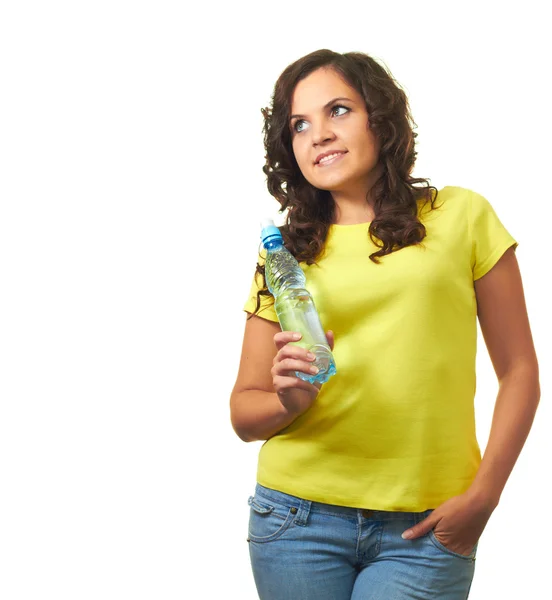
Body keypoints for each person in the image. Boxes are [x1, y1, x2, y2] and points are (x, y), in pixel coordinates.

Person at [229, 49, 540, 600]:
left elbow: (519, 371)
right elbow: (244, 413)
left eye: (339, 111)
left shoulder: (461, 215)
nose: (319, 134)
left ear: (381, 117)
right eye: (299, 125)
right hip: (296, 521)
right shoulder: (284, 254)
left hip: (424, 528)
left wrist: (485, 497)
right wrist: (289, 402)